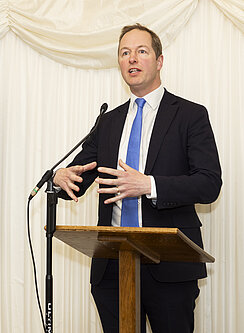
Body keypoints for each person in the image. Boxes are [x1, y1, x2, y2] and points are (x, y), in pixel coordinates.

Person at [53, 23, 222, 333]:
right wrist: (60, 178)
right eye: (124, 53)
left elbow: (210, 183)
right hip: (112, 267)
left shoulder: (189, 115)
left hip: (170, 265)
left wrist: (150, 185)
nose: (131, 59)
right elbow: (78, 176)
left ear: (159, 61)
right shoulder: (108, 121)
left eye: (141, 51)